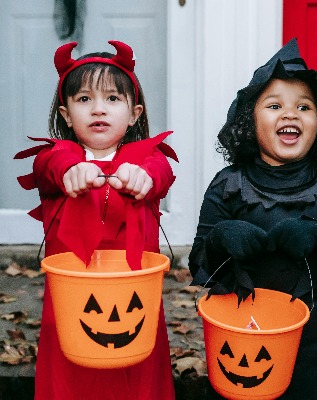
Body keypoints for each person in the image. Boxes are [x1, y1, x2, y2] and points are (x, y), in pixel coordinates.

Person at [188, 38, 317, 400]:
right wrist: (221, 239)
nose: (290, 114)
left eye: (303, 107)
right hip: (247, 342)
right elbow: (199, 262)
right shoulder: (230, 184)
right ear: (250, 120)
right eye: (274, 105)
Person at [15, 40, 178, 400]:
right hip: (75, 302)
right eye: (84, 99)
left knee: (137, 380)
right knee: (72, 382)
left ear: (134, 113)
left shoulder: (148, 161)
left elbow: (161, 172)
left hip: (133, 301)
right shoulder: (57, 159)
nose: (98, 109)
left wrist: (144, 178)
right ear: (66, 114)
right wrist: (70, 170)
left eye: (112, 99)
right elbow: (48, 167)